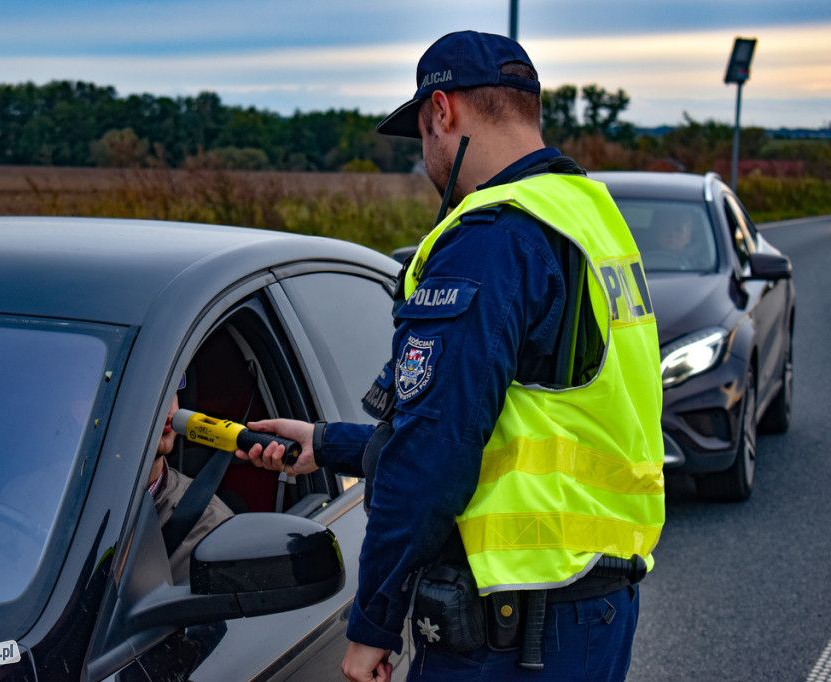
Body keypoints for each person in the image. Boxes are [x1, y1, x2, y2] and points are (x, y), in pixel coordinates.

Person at [237, 31, 664, 682]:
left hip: (516, 635)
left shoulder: (491, 240)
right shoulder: (590, 216)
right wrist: (328, 444)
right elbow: (527, 423)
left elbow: (435, 452)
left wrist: (372, 626)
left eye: (421, 136)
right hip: (594, 606)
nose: (428, 158)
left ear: (443, 111)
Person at [149, 390, 234, 583]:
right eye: (146, 389)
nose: (168, 405)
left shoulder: (212, 528)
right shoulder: (65, 499)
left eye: (172, 387)